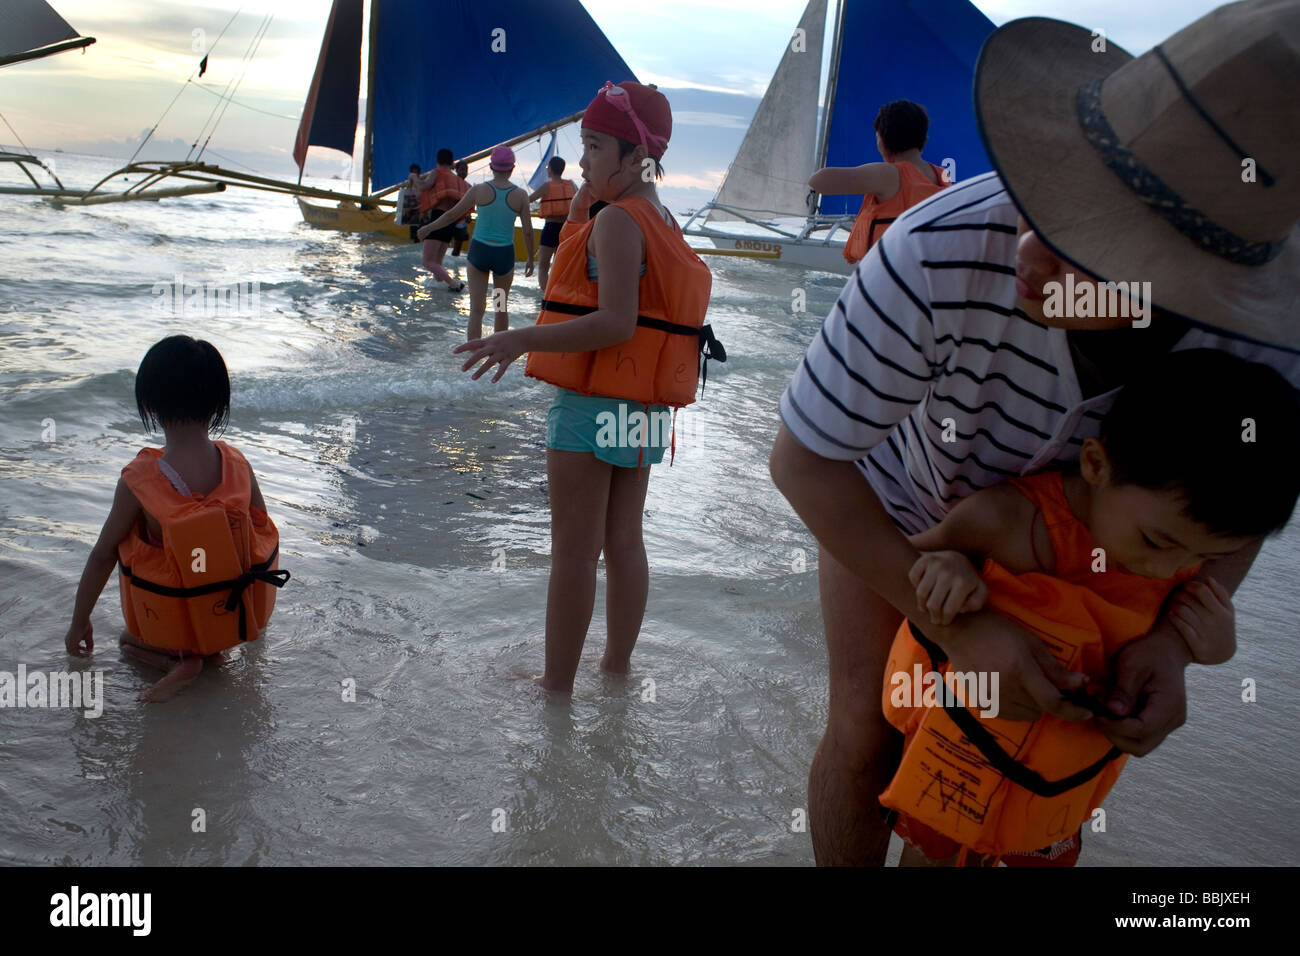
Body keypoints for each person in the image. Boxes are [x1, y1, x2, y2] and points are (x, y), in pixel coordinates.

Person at [768, 0, 1300, 866]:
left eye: (1086, 236)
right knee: (869, 726)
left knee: (1055, 748)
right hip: (901, 505)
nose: (1029, 248)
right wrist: (947, 621)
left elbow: (1243, 506)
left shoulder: (1268, 337)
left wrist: (1173, 641)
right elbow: (804, 462)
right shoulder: (933, 253)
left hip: (1109, 556)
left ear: (1197, 283)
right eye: (1047, 189)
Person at [883, 350, 1300, 866]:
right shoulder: (1009, 522)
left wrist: (1212, 646)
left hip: (1056, 779)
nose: (1169, 570)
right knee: (929, 857)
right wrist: (948, 568)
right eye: (1156, 542)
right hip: (959, 753)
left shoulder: (1182, 550)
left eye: (1205, 556)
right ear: (1096, 464)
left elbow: (1181, 642)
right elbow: (908, 559)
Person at [450, 81, 721, 693]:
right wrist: (580, 209)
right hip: (645, 409)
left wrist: (520, 338)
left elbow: (616, 322)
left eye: (595, 147)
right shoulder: (660, 218)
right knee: (624, 542)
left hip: (593, 405)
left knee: (573, 551)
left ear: (633, 157)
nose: (584, 161)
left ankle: (555, 685)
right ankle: (616, 668)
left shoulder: (619, 223)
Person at [63, 336, 289, 702]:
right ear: (218, 402)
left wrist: (79, 623)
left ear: (149, 402)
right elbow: (260, 528)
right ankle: (210, 650)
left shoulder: (141, 480)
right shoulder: (237, 465)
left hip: (174, 624)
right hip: (232, 620)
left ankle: (180, 663)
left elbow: (103, 554)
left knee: (125, 640)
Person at [808, 99, 948, 264]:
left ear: (882, 140)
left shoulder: (888, 175)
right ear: (924, 140)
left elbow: (818, 181)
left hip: (888, 279)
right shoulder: (942, 176)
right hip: (923, 275)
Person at [420, 146, 535, 340]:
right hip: (504, 256)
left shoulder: (479, 190)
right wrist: (531, 258)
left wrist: (429, 227)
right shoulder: (521, 195)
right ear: (512, 168)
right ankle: (499, 354)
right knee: (500, 307)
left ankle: (473, 354)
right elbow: (528, 231)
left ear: (491, 167)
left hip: (479, 253)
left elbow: (452, 214)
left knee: (476, 310)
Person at [412, 148, 469, 292]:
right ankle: (442, 289)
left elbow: (424, 186)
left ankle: (454, 284)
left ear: (437, 161)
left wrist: (413, 177)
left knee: (427, 261)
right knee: (437, 263)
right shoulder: (455, 179)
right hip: (450, 223)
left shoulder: (436, 173)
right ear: (452, 163)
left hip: (438, 218)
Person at [528, 155, 578, 290]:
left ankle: (545, 294)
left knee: (543, 266)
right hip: (566, 229)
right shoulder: (571, 185)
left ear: (550, 169)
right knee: (559, 265)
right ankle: (558, 291)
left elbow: (528, 199)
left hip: (550, 227)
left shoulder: (546, 186)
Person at [450, 160, 471, 257]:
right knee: (443, 245)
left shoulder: (469, 187)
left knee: (457, 249)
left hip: (461, 221)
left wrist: (469, 215)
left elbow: (470, 204)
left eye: (466, 170)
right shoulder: (451, 184)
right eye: (462, 169)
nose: (464, 172)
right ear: (456, 170)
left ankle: (454, 270)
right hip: (448, 218)